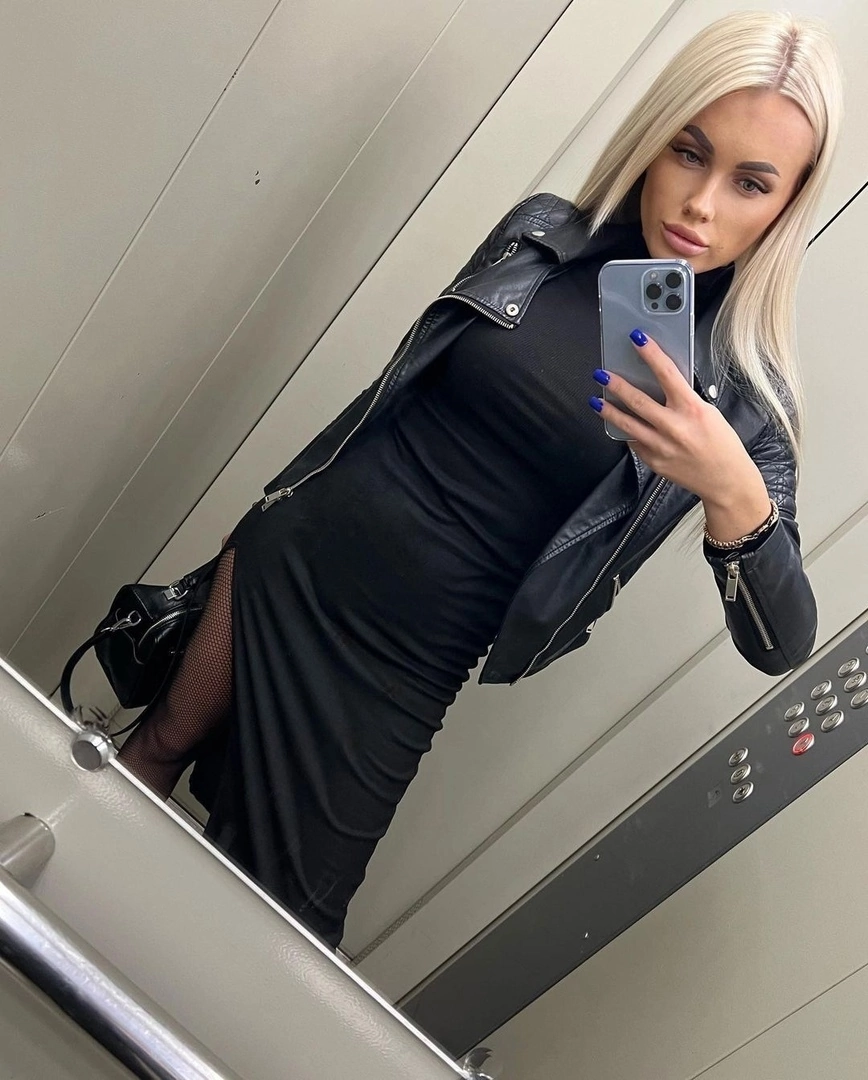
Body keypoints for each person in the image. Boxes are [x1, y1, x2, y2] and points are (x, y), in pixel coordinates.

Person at [118, 10, 843, 947]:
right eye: (689, 150)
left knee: (273, 928)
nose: (701, 204)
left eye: (750, 182)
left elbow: (784, 643)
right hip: (292, 558)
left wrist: (729, 490)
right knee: (150, 753)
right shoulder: (542, 235)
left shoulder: (744, 400)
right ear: (655, 135)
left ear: (788, 204)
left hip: (408, 662)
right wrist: (269, 511)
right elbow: (392, 399)